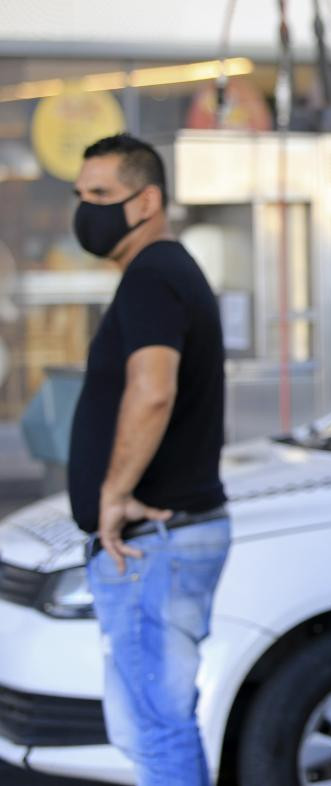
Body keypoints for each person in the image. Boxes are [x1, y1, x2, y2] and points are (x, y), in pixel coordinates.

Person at [68, 133, 229, 786]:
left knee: (158, 729)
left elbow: (153, 387)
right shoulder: (163, 272)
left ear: (147, 201)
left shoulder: (153, 275)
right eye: (81, 196)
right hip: (164, 542)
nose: (88, 210)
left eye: (102, 195)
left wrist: (114, 494)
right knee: (148, 725)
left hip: (152, 543)